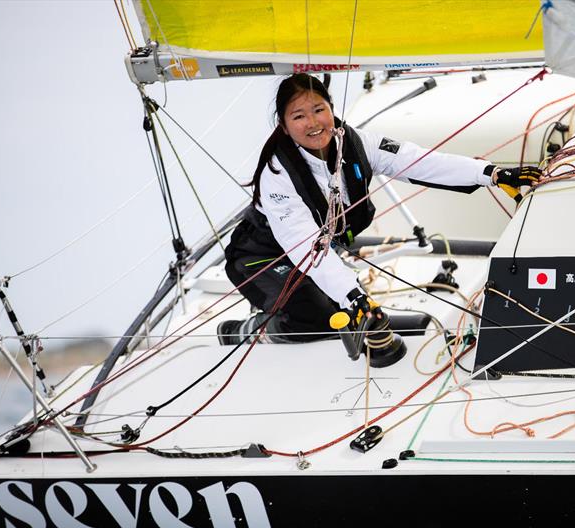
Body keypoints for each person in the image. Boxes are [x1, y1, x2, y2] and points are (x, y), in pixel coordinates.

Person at [218, 73, 540, 345]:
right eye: (299, 116)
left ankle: (330, 297)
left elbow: (419, 161)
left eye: (319, 109)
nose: (313, 122)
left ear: (332, 109)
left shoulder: (358, 144)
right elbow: (304, 244)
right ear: (285, 126)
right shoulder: (277, 175)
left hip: (319, 252)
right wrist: (353, 295)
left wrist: (490, 174)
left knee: (336, 303)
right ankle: (246, 332)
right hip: (261, 257)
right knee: (317, 318)